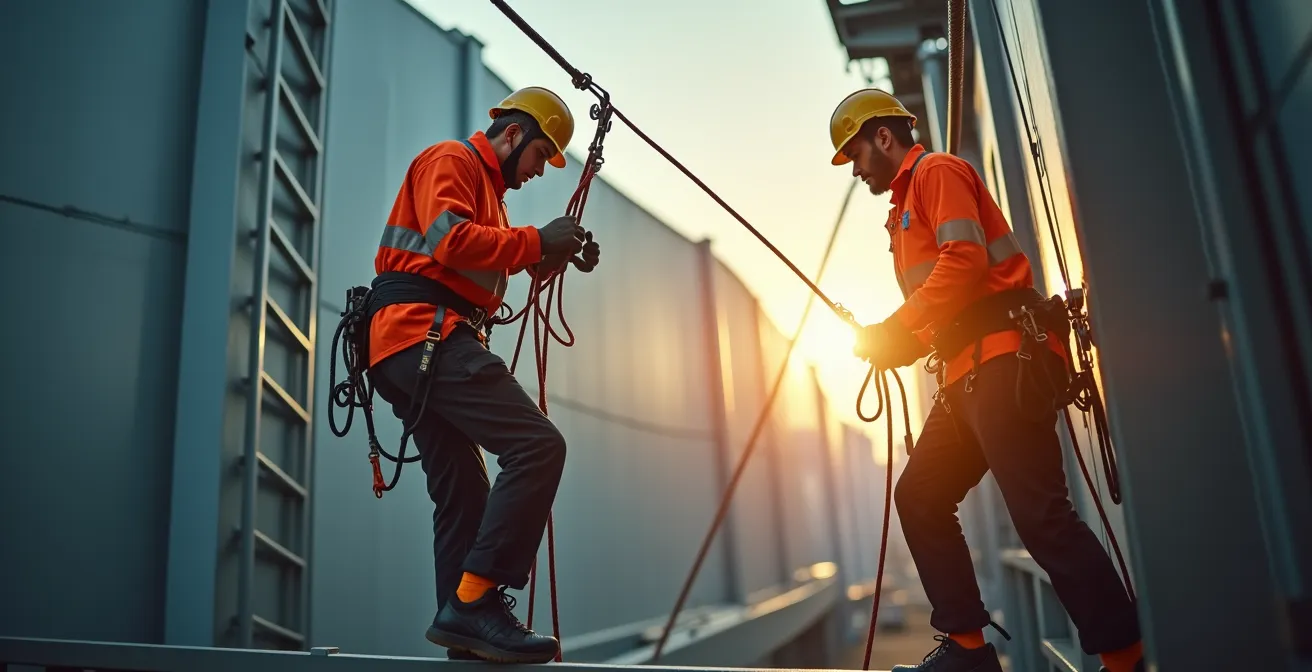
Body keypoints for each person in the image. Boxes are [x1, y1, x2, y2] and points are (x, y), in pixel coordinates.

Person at [830, 88, 1143, 672]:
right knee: (920, 496)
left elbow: (965, 261)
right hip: (966, 374)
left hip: (1002, 363)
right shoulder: (902, 211)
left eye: (855, 155)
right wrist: (898, 344)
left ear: (883, 136)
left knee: (1040, 516)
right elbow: (949, 305)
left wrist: (896, 328)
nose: (854, 170)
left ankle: (1126, 658)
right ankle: (969, 654)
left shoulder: (937, 171)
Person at [365, 85, 601, 664]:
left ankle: (466, 637)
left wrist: (548, 258)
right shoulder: (453, 159)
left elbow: (479, 261)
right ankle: (475, 602)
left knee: (465, 493)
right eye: (540, 155)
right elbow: (449, 241)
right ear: (513, 133)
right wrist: (537, 241)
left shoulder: (493, 201)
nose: (539, 170)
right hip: (426, 334)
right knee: (537, 445)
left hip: (412, 346)